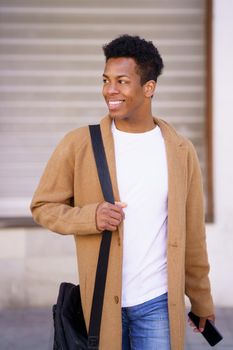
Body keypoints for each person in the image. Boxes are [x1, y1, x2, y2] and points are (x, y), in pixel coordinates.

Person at [30, 34, 215, 350]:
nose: (109, 90)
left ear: (149, 88)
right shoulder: (80, 144)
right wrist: (91, 216)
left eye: (121, 81)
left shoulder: (181, 151)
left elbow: (193, 235)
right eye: (105, 80)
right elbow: (43, 205)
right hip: (101, 306)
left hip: (158, 303)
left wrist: (201, 300)